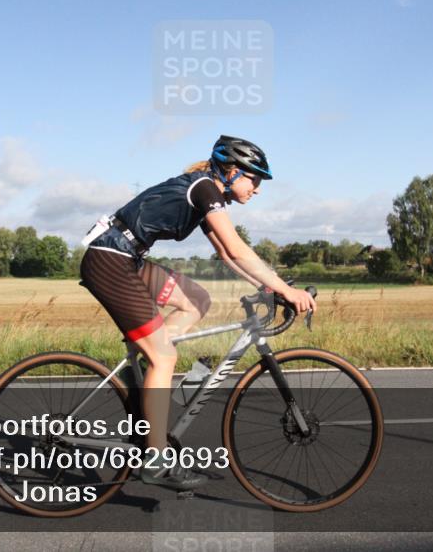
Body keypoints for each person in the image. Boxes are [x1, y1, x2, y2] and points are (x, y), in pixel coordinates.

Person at [78, 135, 317, 490]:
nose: (258, 189)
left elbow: (224, 253)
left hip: (126, 257)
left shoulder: (208, 190)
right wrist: (285, 288)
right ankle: (157, 459)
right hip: (111, 261)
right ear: (234, 171)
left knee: (197, 300)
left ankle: (146, 369)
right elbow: (236, 248)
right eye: (255, 179)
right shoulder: (205, 188)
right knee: (165, 357)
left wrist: (267, 285)